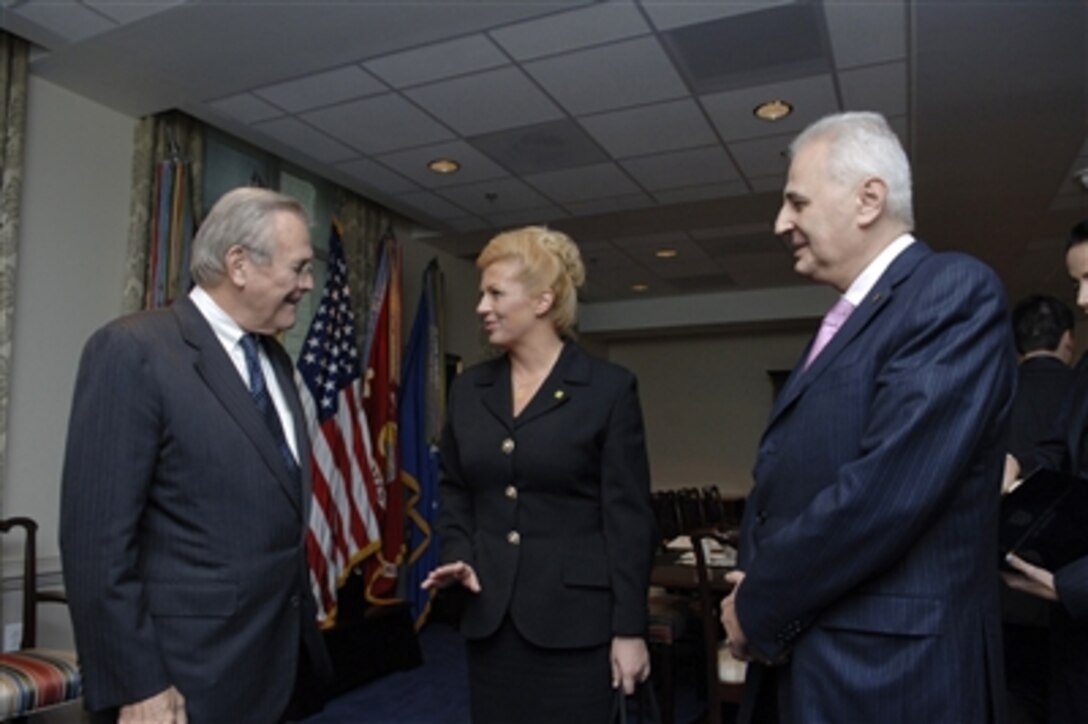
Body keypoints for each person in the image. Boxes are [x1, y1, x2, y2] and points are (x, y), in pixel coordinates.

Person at [720, 111, 1016, 723]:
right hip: (819, 654)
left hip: (889, 678)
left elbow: (885, 492)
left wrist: (757, 604)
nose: (781, 224)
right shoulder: (847, 321)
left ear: (868, 199)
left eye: (796, 202)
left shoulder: (951, 291)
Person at [60, 187, 332, 723]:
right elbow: (97, 543)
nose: (307, 284)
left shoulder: (275, 361)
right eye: (299, 267)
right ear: (239, 264)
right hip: (180, 681)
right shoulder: (134, 350)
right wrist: (140, 684)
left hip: (273, 666)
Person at [421, 225, 656, 724]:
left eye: (495, 293)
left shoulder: (607, 389)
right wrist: (461, 555)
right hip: (491, 620)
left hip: (577, 625)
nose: (481, 306)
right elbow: (456, 489)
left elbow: (628, 520)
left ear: (543, 300)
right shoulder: (469, 390)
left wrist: (630, 629)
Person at [1003, 219, 1088, 724]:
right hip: (1071, 631)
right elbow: (1058, 452)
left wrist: (1073, 587)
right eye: (1077, 281)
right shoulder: (1085, 372)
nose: (1081, 300)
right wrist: (1020, 468)